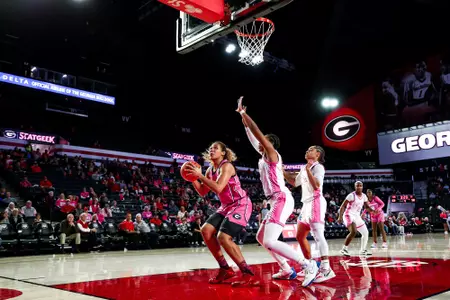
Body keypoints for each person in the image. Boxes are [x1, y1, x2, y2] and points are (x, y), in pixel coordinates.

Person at [236, 97, 316, 287]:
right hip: (274, 200)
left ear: (270, 143)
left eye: (265, 141)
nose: (261, 142)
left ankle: (308, 265)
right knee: (261, 237)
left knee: (270, 240)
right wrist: (242, 117)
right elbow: (252, 136)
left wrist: (246, 115)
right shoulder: (262, 155)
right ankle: (287, 269)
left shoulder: (272, 154)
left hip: (281, 198)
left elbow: (258, 134)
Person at [184, 141, 255, 286]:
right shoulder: (210, 170)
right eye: (210, 148)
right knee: (206, 230)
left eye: (215, 148)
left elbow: (218, 188)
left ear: (223, 152)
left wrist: (200, 176)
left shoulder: (227, 166)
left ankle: (247, 273)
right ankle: (225, 269)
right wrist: (192, 177)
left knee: (223, 237)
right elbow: (203, 191)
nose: (211, 150)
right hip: (226, 206)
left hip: (241, 204)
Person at [285, 145, 336, 284]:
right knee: (300, 236)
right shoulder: (304, 168)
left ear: (318, 154)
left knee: (318, 236)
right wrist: (282, 170)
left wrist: (307, 170)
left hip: (316, 201)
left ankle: (326, 268)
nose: (307, 151)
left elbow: (317, 185)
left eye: (310, 150)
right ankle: (309, 265)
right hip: (306, 204)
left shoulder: (318, 167)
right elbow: (294, 182)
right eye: (307, 149)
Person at [338, 181, 375, 256]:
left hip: (357, 216)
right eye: (357, 186)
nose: (359, 187)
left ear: (362, 187)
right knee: (354, 231)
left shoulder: (364, 196)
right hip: (349, 215)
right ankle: (344, 249)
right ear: (355, 187)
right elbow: (342, 206)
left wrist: (373, 211)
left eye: (360, 185)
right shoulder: (351, 195)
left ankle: (363, 250)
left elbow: (367, 207)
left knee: (365, 233)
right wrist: (340, 216)